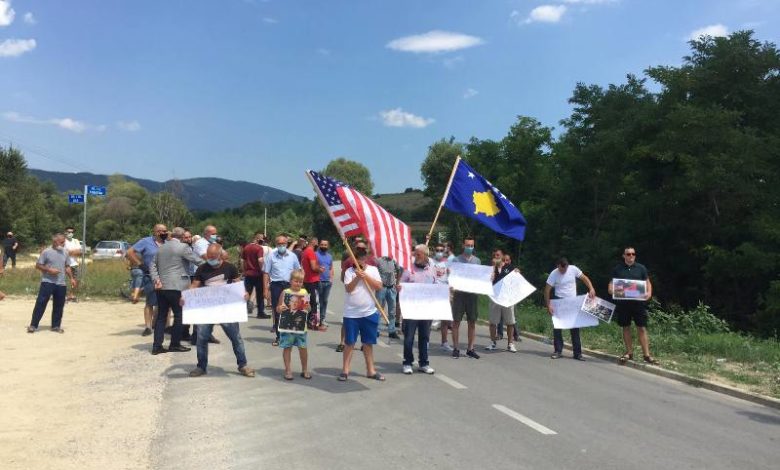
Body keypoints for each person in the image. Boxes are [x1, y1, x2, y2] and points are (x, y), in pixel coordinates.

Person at [188, 244, 255, 378]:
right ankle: (201, 367)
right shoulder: (202, 268)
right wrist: (186, 296)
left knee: (236, 338)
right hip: (207, 309)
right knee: (201, 338)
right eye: (209, 257)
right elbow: (194, 285)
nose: (210, 259)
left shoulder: (230, 267)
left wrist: (244, 293)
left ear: (220, 256)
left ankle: (243, 365)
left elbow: (237, 284)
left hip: (226, 309)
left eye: (213, 257)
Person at [149, 227, 203, 355]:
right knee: (179, 315)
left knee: (162, 316)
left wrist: (156, 280)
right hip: (178, 286)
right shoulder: (183, 248)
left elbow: (152, 265)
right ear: (182, 236)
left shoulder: (160, 247)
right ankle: (175, 344)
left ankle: (157, 346)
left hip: (161, 286)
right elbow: (197, 261)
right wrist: (213, 265)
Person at [339, 248, 385, 382]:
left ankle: (371, 370)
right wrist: (358, 277)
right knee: (349, 343)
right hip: (351, 314)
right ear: (353, 259)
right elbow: (348, 289)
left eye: (362, 258)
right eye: (357, 258)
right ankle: (345, 370)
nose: (359, 260)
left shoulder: (373, 270)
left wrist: (366, 276)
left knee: (368, 343)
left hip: (369, 312)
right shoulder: (349, 271)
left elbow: (378, 286)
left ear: (365, 258)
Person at [608, 247, 658, 365]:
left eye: (633, 254)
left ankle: (647, 355)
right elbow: (611, 285)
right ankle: (629, 353)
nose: (631, 256)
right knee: (626, 327)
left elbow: (647, 283)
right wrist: (612, 290)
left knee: (641, 327)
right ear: (624, 256)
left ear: (635, 255)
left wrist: (649, 293)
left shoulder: (641, 268)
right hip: (624, 304)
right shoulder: (617, 269)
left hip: (638, 303)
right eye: (628, 254)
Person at [544, 257, 596, 360]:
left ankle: (577, 354)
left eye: (565, 268)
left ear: (568, 266)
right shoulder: (554, 274)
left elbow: (584, 278)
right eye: (561, 269)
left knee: (575, 327)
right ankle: (558, 351)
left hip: (572, 301)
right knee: (558, 328)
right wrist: (548, 305)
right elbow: (547, 291)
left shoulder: (573, 269)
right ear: (558, 266)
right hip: (559, 301)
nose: (563, 271)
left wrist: (591, 288)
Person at [27, 233, 77, 333]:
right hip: (47, 282)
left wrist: (71, 278)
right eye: (62, 242)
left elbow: (67, 266)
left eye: (64, 242)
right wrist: (49, 270)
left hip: (61, 284)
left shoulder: (65, 252)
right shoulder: (46, 252)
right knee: (41, 303)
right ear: (55, 241)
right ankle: (33, 325)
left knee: (59, 305)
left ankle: (56, 326)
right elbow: (38, 265)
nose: (63, 244)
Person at [399, 245, 436, 375]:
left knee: (424, 337)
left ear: (426, 256)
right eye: (415, 254)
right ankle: (407, 362)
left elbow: (437, 284)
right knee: (409, 337)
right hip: (411, 309)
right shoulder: (409, 268)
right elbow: (401, 283)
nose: (416, 257)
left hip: (426, 309)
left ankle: (424, 363)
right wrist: (400, 287)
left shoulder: (432, 267)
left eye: (419, 255)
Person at [127, 224, 168, 336]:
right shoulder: (146, 241)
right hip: (150, 275)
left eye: (165, 230)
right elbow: (130, 252)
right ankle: (148, 327)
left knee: (165, 302)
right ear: (155, 232)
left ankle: (165, 326)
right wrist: (140, 264)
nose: (164, 233)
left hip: (166, 276)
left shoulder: (167, 243)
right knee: (150, 302)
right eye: (161, 231)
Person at [263, 234, 301, 346]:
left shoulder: (292, 256)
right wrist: (265, 289)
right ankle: (279, 337)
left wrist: (300, 286)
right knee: (278, 311)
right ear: (276, 244)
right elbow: (266, 273)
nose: (281, 246)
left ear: (286, 244)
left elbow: (298, 271)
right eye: (279, 244)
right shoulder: (271, 256)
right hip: (276, 286)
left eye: (283, 244)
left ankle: (292, 336)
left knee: (292, 310)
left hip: (290, 286)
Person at [276, 269, 312, 380]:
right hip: (287, 327)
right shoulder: (285, 292)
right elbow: (277, 308)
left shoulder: (304, 293)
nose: (298, 283)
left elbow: (309, 308)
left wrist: (307, 307)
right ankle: (288, 370)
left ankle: (305, 369)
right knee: (287, 347)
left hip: (301, 327)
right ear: (290, 281)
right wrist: (280, 308)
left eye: (300, 281)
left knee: (303, 348)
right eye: (296, 281)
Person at [450, 237, 481, 359]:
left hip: (472, 295)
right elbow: (452, 276)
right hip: (459, 294)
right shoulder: (456, 260)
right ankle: (456, 348)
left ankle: (470, 348)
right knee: (456, 321)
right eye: (467, 245)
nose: (469, 247)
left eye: (471, 245)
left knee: (472, 321)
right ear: (463, 245)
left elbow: (480, 276)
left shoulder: (477, 261)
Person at [486, 249, 519, 353]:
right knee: (493, 322)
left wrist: (517, 273)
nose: (496, 256)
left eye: (498, 255)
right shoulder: (491, 269)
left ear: (502, 256)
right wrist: (491, 272)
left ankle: (510, 344)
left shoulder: (510, 267)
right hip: (494, 298)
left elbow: (517, 280)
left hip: (507, 299)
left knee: (510, 322)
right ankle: (492, 342)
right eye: (494, 255)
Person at [431, 242, 454, 351]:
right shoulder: (430, 262)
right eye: (437, 250)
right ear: (434, 251)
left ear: (444, 251)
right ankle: (425, 341)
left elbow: (452, 277)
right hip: (432, 293)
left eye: (441, 250)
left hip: (444, 293)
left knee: (445, 319)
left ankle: (444, 342)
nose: (439, 252)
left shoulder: (447, 263)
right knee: (428, 319)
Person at [242, 231, 270, 319]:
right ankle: (260, 313)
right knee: (259, 294)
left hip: (248, 274)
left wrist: (244, 270)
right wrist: (263, 270)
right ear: (258, 239)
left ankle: (241, 311)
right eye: (262, 239)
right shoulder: (259, 248)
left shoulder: (246, 247)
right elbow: (260, 260)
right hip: (258, 274)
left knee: (247, 293)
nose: (263, 241)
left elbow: (242, 261)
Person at [375, 254, 402, 340]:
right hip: (381, 287)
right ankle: (376, 330)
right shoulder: (379, 261)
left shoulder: (394, 261)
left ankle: (392, 331)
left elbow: (399, 271)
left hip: (391, 288)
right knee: (379, 309)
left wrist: (397, 282)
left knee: (392, 311)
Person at [300, 236, 322, 328]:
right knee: (314, 303)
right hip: (312, 280)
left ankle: (305, 320)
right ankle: (313, 322)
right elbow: (313, 267)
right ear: (314, 242)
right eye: (317, 243)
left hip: (306, 280)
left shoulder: (304, 252)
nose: (317, 245)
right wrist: (320, 269)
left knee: (306, 301)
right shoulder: (311, 252)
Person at [315, 239, 334, 330]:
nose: (323, 246)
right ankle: (316, 319)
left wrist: (331, 279)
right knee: (317, 301)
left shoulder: (330, 256)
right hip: (318, 281)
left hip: (327, 282)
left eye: (325, 245)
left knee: (325, 301)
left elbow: (331, 268)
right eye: (322, 244)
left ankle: (323, 319)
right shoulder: (315, 254)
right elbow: (313, 266)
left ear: (328, 246)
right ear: (319, 245)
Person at [63, 226, 82, 302]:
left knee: (75, 280)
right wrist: (73, 252)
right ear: (65, 232)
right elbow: (63, 252)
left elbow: (79, 252)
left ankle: (71, 295)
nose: (70, 233)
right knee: (64, 281)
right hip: (65, 264)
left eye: (72, 232)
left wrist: (70, 252)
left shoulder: (76, 241)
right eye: (69, 232)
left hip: (75, 263)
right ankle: (63, 296)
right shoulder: (63, 241)